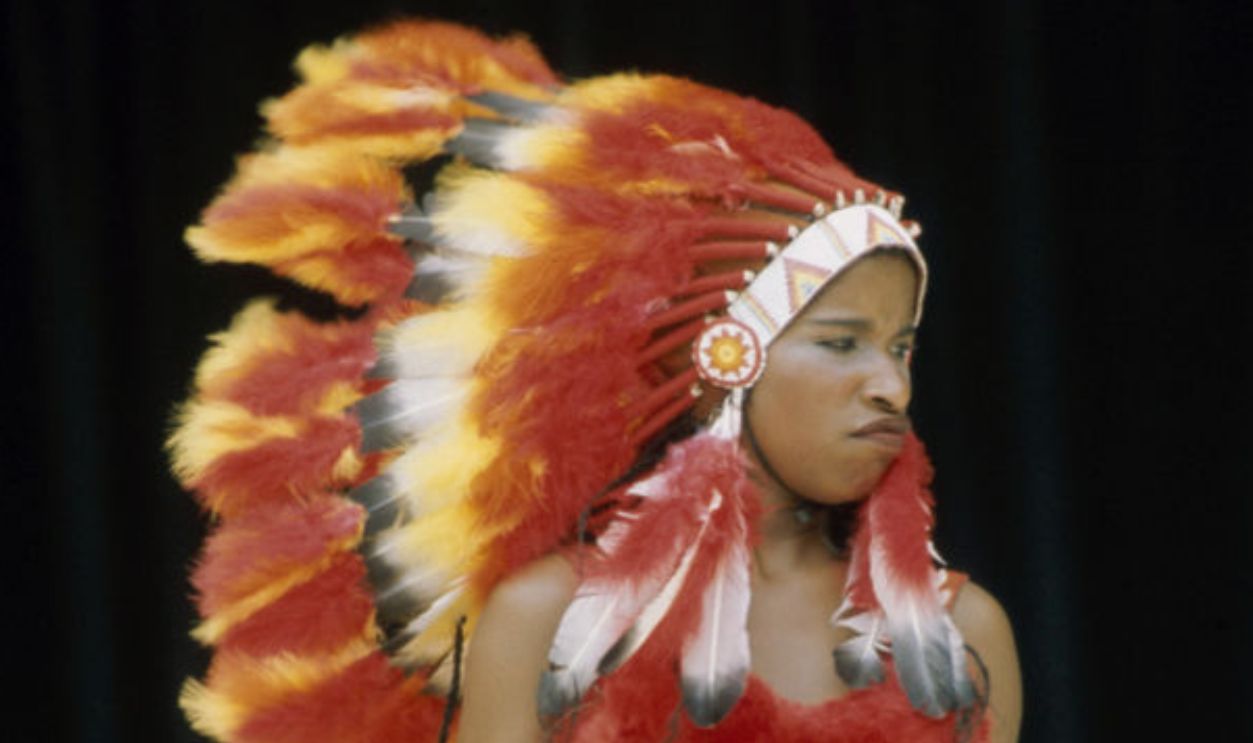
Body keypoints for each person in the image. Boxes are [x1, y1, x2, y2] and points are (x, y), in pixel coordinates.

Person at [169, 19, 1021, 743]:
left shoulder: (956, 632)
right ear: (726, 356)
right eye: (842, 343)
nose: (891, 388)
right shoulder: (547, 619)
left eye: (900, 347)